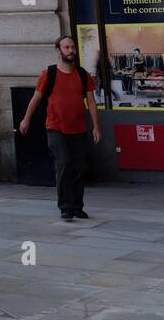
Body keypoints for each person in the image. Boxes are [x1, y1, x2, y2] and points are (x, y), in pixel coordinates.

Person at [18, 35, 102, 221]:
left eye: (72, 47)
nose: (71, 51)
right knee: (63, 162)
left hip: (79, 128)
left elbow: (91, 101)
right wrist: (26, 119)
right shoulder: (49, 74)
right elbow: (36, 98)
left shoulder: (82, 75)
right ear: (59, 50)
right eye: (66, 47)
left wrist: (96, 126)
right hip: (56, 128)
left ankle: (77, 206)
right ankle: (65, 206)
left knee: (79, 167)